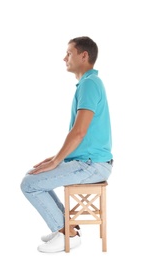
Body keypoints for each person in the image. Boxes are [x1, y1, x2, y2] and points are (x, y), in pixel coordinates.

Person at [20, 36, 113, 253]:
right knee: (33, 175)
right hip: (91, 161)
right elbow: (84, 135)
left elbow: (79, 132)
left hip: (92, 165)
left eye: (69, 53)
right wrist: (55, 158)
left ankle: (67, 234)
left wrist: (57, 161)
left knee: (29, 184)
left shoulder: (90, 84)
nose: (64, 58)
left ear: (84, 55)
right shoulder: (89, 84)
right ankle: (65, 229)